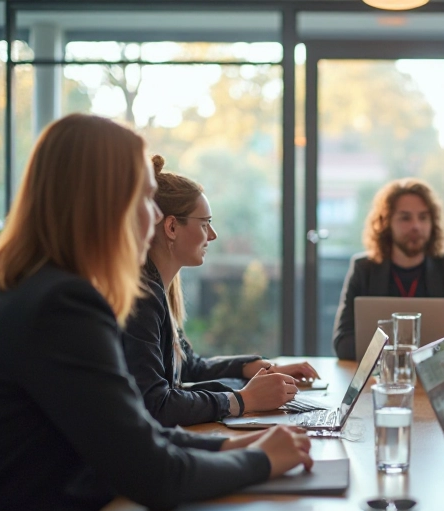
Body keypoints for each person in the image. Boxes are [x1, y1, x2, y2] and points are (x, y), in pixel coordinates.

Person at [0, 115, 312, 511]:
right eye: (146, 197)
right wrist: (262, 461)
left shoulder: (46, 290)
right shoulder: (63, 305)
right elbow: (153, 474)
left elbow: (137, 434)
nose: (156, 215)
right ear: (106, 203)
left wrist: (235, 443)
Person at [122, 155, 319, 427]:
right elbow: (157, 405)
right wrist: (242, 400)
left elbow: (188, 365)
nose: (212, 235)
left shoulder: (159, 289)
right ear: (171, 227)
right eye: (205, 223)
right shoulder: (143, 298)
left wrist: (252, 367)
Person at [332, 178, 444, 359]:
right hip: (383, 375)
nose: (416, 226)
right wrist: (415, 352)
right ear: (386, 223)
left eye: (423, 217)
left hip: (436, 373)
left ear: (433, 222)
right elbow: (343, 343)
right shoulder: (364, 269)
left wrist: (415, 353)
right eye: (405, 218)